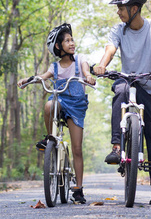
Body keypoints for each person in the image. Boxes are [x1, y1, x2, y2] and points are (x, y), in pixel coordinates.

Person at [93, 0, 151, 205]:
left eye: (122, 8)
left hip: (149, 85)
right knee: (119, 89)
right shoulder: (119, 30)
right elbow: (110, 51)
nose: (118, 12)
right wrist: (101, 65)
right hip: (127, 81)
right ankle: (117, 147)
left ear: (135, 9)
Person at [18, 23, 95, 204]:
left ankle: (78, 189)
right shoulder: (55, 67)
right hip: (61, 102)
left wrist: (88, 76)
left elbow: (85, 70)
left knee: (77, 148)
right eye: (67, 40)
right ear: (58, 47)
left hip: (76, 105)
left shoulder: (80, 59)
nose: (72, 43)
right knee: (48, 105)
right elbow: (42, 77)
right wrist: (28, 80)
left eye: (72, 39)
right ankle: (50, 138)